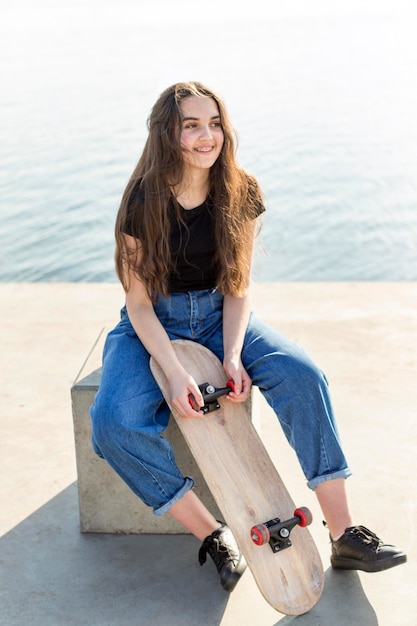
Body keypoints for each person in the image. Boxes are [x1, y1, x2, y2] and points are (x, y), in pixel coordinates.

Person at [90, 81, 406, 592]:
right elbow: (138, 302)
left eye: (213, 123)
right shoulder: (142, 198)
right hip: (154, 322)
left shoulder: (242, 189)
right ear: (167, 133)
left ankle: (345, 534)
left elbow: (237, 287)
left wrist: (233, 356)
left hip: (220, 315)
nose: (206, 136)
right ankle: (216, 534)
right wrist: (172, 371)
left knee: (303, 375)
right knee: (111, 422)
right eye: (191, 125)